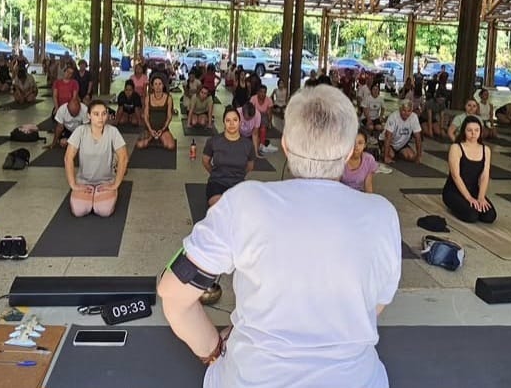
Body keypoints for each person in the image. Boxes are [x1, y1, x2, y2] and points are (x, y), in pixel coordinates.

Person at [157, 85, 401, 386]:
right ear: (351, 149)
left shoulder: (244, 201)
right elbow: (376, 305)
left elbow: (173, 291)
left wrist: (213, 349)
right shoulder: (382, 214)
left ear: (284, 145)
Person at [64, 100, 129, 217]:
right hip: (84, 181)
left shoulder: (113, 132)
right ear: (89, 115)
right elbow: (68, 158)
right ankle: (90, 194)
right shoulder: (80, 131)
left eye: (104, 114)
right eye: (96, 114)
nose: (101, 118)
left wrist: (115, 184)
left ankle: (104, 194)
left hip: (106, 181)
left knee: (103, 211)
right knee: (79, 211)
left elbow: (123, 157)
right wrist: (73, 184)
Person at [443, 116, 495, 223]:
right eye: (469, 130)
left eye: (476, 130)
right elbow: (455, 176)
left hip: (474, 190)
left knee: (489, 216)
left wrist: (481, 197)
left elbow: (485, 176)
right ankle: (454, 205)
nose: (473, 133)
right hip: (454, 191)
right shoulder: (456, 148)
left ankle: (471, 203)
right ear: (464, 131)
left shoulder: (486, 150)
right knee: (472, 216)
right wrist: (469, 198)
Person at [202, 108, 257, 206]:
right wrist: (215, 173)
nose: (231, 124)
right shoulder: (213, 141)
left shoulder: (248, 145)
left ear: (240, 122)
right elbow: (205, 161)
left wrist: (238, 175)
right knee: (221, 208)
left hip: (238, 184)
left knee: (243, 208)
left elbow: (250, 166)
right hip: (217, 183)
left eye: (235, 120)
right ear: (224, 122)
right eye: (228, 120)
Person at [137, 75, 175, 150]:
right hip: (149, 128)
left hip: (163, 129)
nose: (158, 86)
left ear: (163, 85)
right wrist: (150, 129)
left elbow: (169, 117)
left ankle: (159, 137)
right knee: (140, 145)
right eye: (155, 84)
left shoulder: (169, 98)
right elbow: (146, 115)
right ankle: (151, 138)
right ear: (152, 86)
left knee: (171, 146)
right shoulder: (148, 97)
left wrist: (163, 129)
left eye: (160, 84)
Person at [383, 100, 422, 164]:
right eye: (404, 111)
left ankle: (397, 153)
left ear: (412, 110)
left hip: (401, 144)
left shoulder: (414, 117)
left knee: (411, 157)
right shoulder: (393, 116)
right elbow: (388, 137)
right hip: (390, 143)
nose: (406, 113)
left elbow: (418, 138)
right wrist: (386, 157)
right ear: (400, 109)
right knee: (391, 155)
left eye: (409, 111)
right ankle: (383, 150)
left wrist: (419, 155)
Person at [250, 85, 276, 154]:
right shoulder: (253, 98)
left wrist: (270, 122)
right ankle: (257, 142)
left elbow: (269, 113)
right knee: (255, 129)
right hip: (254, 115)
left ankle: (261, 145)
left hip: (263, 116)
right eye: (261, 92)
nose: (262, 94)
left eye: (264, 92)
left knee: (263, 127)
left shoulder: (269, 100)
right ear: (257, 92)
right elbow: (251, 111)